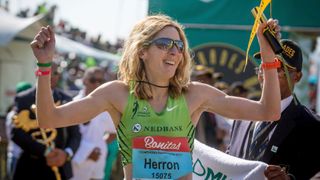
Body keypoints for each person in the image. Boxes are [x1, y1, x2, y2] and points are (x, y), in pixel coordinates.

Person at [30, 15, 281, 179]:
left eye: (179, 46)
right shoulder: (117, 94)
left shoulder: (194, 94)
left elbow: (269, 112)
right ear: (142, 51)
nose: (174, 51)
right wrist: (44, 65)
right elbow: (49, 120)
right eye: (164, 44)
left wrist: (268, 58)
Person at [227, 39, 320, 179]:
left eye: (279, 69)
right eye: (265, 65)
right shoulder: (242, 117)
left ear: (298, 77)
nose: (268, 73)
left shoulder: (312, 126)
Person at [11, 62, 81, 180]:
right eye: (47, 72)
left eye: (55, 73)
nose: (51, 76)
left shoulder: (67, 99)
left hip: (60, 167)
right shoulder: (24, 98)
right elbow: (16, 133)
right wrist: (46, 151)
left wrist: (66, 154)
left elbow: (75, 134)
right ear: (36, 73)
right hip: (30, 167)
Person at [71, 67, 116, 180]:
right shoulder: (73, 104)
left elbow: (115, 131)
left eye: (101, 81)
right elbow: (68, 136)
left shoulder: (106, 106)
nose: (97, 84)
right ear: (84, 80)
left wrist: (100, 145)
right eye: (93, 80)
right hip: (77, 161)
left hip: (98, 161)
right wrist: (87, 151)